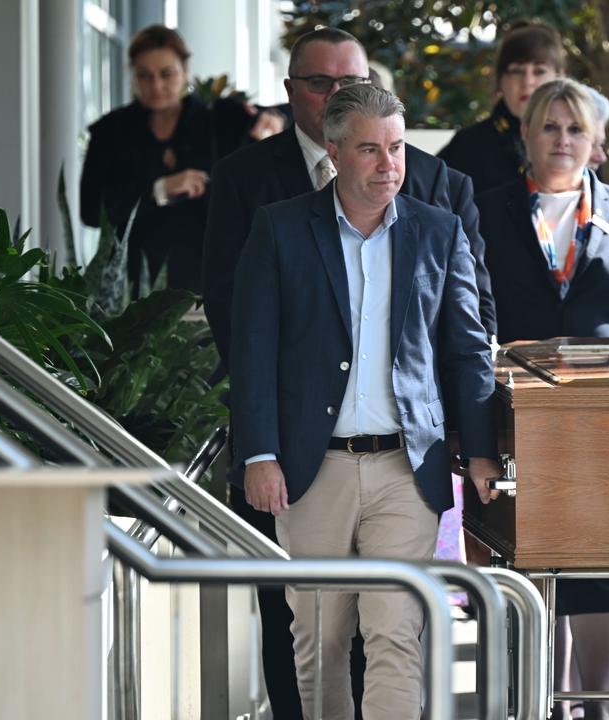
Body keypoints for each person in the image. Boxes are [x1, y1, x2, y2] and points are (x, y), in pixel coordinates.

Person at [201, 27, 495, 719]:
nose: (388, 164)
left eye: (395, 147)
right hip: (312, 467)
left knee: (396, 633)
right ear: (333, 153)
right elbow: (253, 346)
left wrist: (478, 447)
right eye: (369, 149)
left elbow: (466, 346)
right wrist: (260, 452)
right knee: (320, 640)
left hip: (405, 466)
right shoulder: (279, 227)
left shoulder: (436, 228)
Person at [476, 78, 609, 720]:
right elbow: (466, 323)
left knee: (603, 567)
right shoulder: (485, 211)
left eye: (575, 130)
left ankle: (598, 709)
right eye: (549, 127)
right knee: (529, 577)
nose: (561, 140)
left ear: (596, 144)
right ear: (527, 136)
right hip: (518, 432)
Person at [80, 25, 214, 293]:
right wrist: (158, 190)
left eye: (166, 74)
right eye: (144, 75)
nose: (156, 86)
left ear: (185, 70)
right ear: (132, 75)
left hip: (203, 280)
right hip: (127, 286)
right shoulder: (110, 131)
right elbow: (91, 211)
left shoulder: (214, 125)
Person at [439, 22, 566, 194]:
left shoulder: (577, 141)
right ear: (500, 80)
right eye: (517, 71)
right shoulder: (468, 146)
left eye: (539, 71)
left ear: (560, 78)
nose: (527, 82)